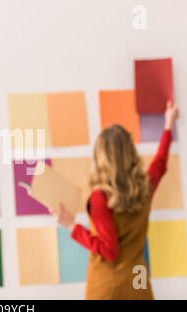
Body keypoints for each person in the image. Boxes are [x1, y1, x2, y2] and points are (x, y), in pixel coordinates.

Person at [52, 101, 179, 299]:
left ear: (99, 158)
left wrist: (71, 226)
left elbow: (109, 251)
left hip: (107, 289)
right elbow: (160, 164)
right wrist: (168, 124)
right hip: (138, 285)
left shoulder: (100, 198)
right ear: (130, 154)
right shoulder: (143, 188)